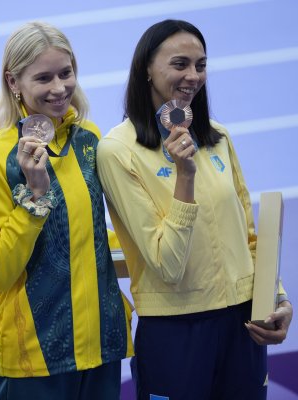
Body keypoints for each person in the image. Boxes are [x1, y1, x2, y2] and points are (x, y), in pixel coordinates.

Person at [96, 19, 293, 400]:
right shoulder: (118, 151)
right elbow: (166, 263)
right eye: (180, 64)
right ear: (146, 71)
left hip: (243, 324)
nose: (193, 76)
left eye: (201, 65)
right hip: (175, 331)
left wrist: (276, 298)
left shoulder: (216, 136)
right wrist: (184, 177)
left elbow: (248, 235)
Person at [0, 21, 133, 400]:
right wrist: (34, 199)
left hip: (101, 349)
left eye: (66, 73)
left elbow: (87, 231)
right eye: (43, 78)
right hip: (33, 357)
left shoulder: (90, 139)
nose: (59, 88)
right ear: (13, 82)